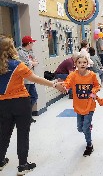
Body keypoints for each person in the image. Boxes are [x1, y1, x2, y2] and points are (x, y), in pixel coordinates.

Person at [0, 35, 66, 175]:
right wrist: (54, 84)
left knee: (4, 133)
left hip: (3, 105)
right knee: (22, 134)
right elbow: (35, 79)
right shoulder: (17, 65)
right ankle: (23, 165)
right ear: (10, 48)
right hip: (20, 103)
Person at [63, 54, 101, 157]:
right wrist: (65, 88)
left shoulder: (92, 75)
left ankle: (89, 146)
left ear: (87, 63)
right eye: (79, 62)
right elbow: (67, 83)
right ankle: (88, 126)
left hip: (89, 106)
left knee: (84, 128)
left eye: (84, 62)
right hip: (79, 106)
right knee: (80, 129)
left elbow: (97, 85)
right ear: (76, 64)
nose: (82, 64)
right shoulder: (73, 75)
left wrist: (93, 91)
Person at [18, 36, 39, 123]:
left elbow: (36, 62)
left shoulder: (30, 51)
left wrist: (32, 63)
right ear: (29, 43)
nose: (33, 44)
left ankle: (27, 115)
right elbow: (26, 65)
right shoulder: (21, 52)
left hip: (31, 78)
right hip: (25, 79)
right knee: (25, 99)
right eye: (32, 42)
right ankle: (25, 117)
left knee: (34, 96)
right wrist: (32, 63)